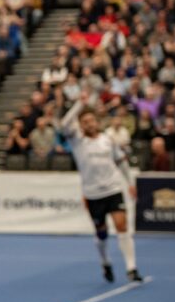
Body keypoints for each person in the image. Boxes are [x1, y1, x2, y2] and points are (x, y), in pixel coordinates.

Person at [56, 100, 143, 283]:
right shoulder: (77, 141)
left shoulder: (108, 140)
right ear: (80, 125)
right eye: (85, 121)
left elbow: (122, 162)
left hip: (113, 189)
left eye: (91, 120)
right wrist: (79, 104)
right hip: (93, 194)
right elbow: (63, 124)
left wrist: (130, 183)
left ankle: (131, 268)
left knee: (122, 226)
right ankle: (105, 262)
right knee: (101, 233)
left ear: (97, 121)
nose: (89, 124)